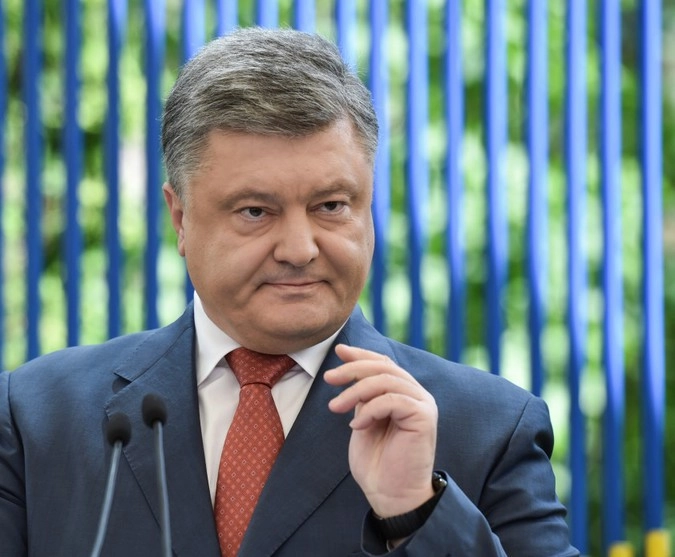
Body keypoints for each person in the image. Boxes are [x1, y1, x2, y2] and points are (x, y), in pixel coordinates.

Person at [0, 27, 579, 556]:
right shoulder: (37, 420)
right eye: (256, 211)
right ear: (180, 219)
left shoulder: (486, 430)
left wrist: (416, 514)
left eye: (331, 206)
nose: (300, 249)